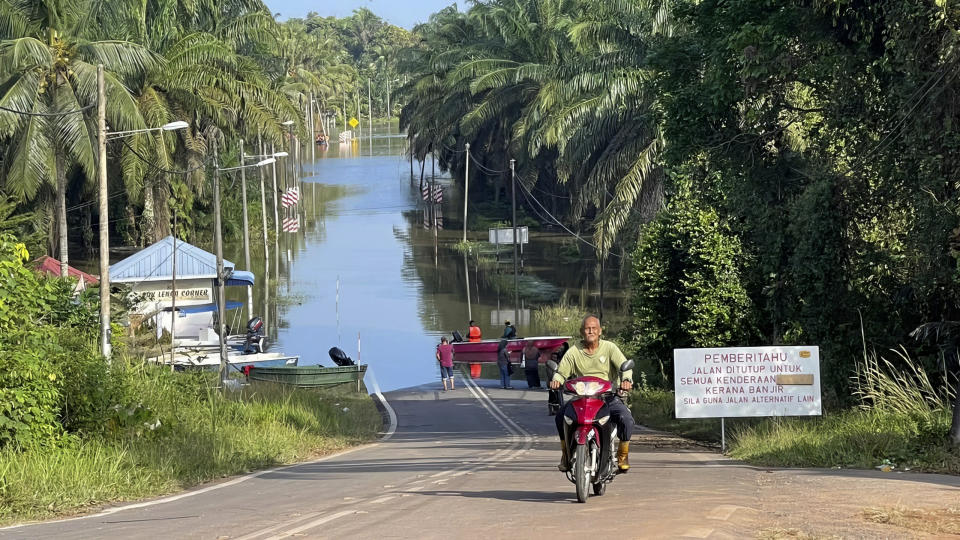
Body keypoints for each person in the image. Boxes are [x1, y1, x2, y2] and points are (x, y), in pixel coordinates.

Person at [550, 316, 633, 473]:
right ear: (582, 332)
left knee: (625, 418)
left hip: (606, 398)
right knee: (561, 417)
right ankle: (566, 455)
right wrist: (556, 380)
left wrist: (626, 380)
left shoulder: (610, 348)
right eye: (587, 328)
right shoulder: (573, 352)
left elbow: (625, 367)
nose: (591, 331)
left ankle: (623, 455)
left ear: (600, 331)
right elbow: (561, 372)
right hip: (581, 398)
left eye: (594, 328)